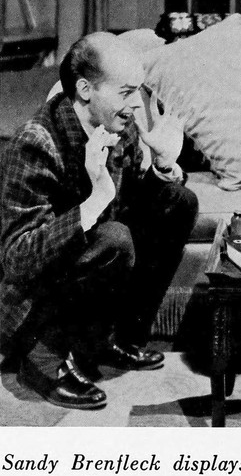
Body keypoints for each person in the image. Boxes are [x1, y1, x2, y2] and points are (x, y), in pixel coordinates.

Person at [0, 32, 198, 409]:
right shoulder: (34, 144)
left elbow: (134, 208)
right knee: (114, 238)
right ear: (85, 89)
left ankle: (111, 340)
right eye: (125, 92)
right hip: (30, 307)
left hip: (84, 266)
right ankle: (42, 362)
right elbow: (17, 259)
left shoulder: (118, 125)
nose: (135, 105)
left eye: (137, 92)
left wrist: (163, 165)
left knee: (177, 201)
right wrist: (93, 204)